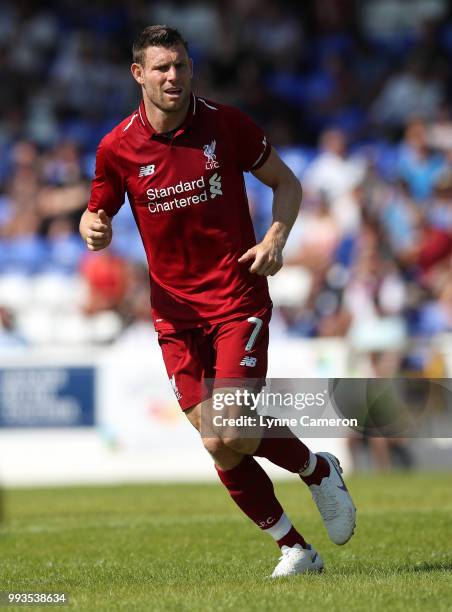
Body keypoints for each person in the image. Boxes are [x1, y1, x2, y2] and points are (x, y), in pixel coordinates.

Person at [79, 25, 356, 578]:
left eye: (180, 64)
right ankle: (295, 548)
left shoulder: (225, 124)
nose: (173, 76)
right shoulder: (117, 147)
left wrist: (275, 238)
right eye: (160, 67)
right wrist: (93, 225)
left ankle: (317, 470)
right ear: (139, 75)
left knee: (232, 427)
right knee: (217, 441)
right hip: (174, 314)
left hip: (236, 299)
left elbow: (288, 183)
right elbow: (98, 208)